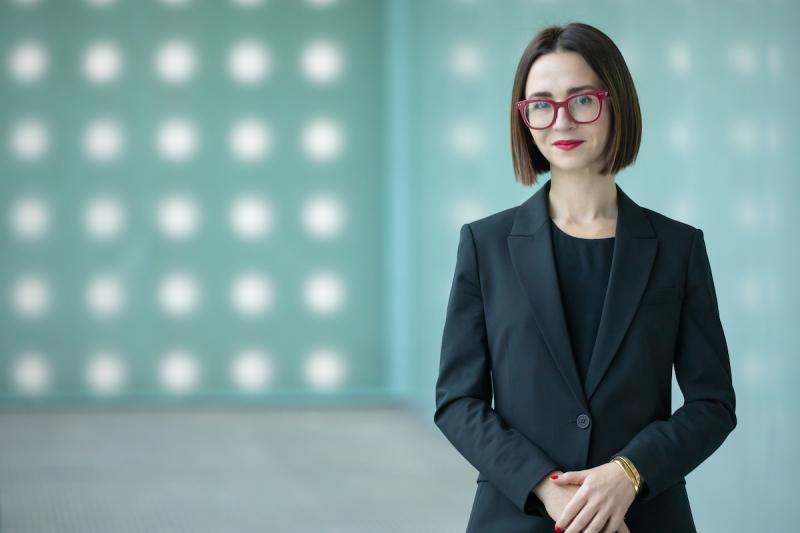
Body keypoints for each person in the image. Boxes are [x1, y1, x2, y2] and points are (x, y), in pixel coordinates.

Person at [433, 22, 736, 533]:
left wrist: (629, 472)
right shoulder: (484, 245)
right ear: (525, 119)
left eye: (581, 100)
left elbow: (712, 404)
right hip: (517, 516)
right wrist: (545, 487)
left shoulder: (679, 248)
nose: (561, 121)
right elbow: (457, 402)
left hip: (642, 516)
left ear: (615, 102)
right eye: (541, 104)